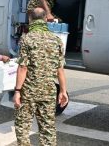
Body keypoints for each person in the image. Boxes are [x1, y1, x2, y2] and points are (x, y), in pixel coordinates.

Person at [13, 8, 68, 146]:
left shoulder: (26, 39)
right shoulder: (57, 40)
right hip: (48, 92)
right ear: (45, 19)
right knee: (47, 128)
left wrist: (17, 91)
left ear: (30, 19)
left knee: (23, 127)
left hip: (29, 92)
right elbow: (60, 69)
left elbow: (23, 67)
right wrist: (63, 91)